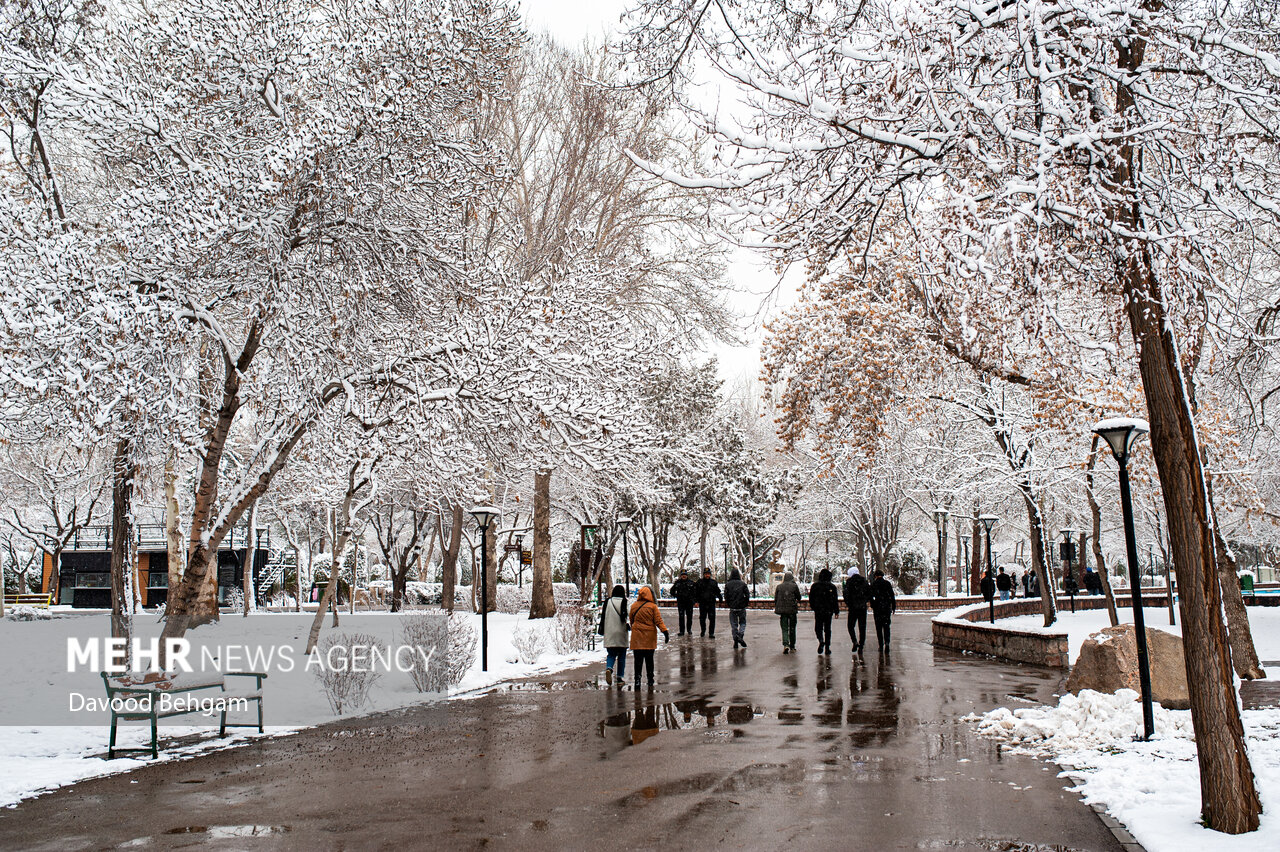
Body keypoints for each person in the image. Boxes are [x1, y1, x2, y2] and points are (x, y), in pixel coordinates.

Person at [629, 585, 669, 689]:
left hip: (637, 637)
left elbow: (631, 620)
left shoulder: (634, 606)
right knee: (649, 660)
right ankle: (650, 679)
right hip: (649, 636)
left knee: (637, 660)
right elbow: (658, 621)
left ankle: (637, 679)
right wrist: (664, 631)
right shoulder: (652, 607)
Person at [598, 584, 629, 687]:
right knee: (621, 656)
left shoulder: (608, 602)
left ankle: (609, 668)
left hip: (610, 632)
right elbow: (627, 617)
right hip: (621, 633)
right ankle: (620, 678)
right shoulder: (624, 602)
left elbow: (603, 617)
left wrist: (602, 629)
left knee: (611, 654)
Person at [809, 568, 840, 654]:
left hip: (819, 610)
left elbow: (811, 598)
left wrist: (814, 607)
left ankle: (821, 640)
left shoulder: (815, 586)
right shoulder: (832, 587)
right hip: (828, 610)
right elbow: (835, 600)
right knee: (827, 629)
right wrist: (836, 611)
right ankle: (827, 647)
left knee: (818, 627)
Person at [843, 566, 870, 655]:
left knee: (850, 626)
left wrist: (849, 603)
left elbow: (846, 594)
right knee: (862, 627)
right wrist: (864, 601)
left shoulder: (849, 582)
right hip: (862, 607)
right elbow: (868, 593)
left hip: (853, 607)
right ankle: (861, 645)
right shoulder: (864, 581)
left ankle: (854, 641)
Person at [773, 571, 801, 653]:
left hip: (783, 611)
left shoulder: (779, 587)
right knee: (792, 628)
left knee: (784, 628)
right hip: (792, 610)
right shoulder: (794, 586)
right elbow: (799, 597)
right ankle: (792, 646)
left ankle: (786, 644)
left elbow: (776, 599)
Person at [869, 569, 896, 652]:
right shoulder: (887, 584)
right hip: (886, 607)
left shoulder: (874, 584)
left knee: (878, 627)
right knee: (886, 626)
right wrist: (893, 607)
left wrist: (873, 605)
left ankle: (880, 645)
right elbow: (892, 595)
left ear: (875, 576)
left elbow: (871, 596)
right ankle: (887, 642)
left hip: (878, 608)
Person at [723, 568, 750, 649]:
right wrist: (745, 603)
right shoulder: (742, 584)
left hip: (733, 607)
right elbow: (747, 595)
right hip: (741, 607)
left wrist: (729, 604)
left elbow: (726, 596)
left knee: (734, 625)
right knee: (743, 623)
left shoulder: (728, 584)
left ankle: (735, 639)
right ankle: (740, 636)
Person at [695, 568, 723, 638]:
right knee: (702, 618)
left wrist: (720, 600)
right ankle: (703, 631)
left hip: (711, 603)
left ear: (710, 574)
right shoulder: (699, 582)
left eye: (708, 574)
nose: (707, 575)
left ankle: (711, 633)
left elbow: (717, 591)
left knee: (712, 618)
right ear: (704, 574)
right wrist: (696, 601)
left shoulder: (713, 582)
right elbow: (696, 593)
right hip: (702, 603)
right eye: (706, 574)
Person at [671, 570, 696, 636]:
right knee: (681, 617)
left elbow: (695, 592)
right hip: (681, 602)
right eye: (682, 575)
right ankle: (682, 631)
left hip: (689, 603)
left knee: (689, 617)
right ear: (681, 576)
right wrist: (676, 596)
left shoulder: (691, 583)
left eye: (685, 575)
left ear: (687, 575)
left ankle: (689, 630)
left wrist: (693, 600)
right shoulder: (677, 583)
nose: (684, 576)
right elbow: (672, 591)